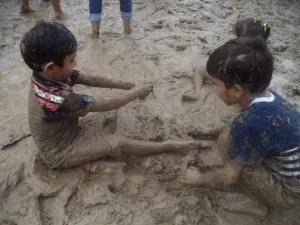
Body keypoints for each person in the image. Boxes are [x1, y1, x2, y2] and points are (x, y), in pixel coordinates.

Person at [20, 21, 201, 169]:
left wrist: (127, 85)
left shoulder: (49, 74)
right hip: (60, 152)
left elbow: (90, 79)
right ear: (50, 67)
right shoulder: (56, 97)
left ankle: (95, 158)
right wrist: (136, 92)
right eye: (72, 60)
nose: (75, 64)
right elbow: (102, 104)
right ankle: (169, 146)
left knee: (110, 117)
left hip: (70, 130)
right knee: (117, 142)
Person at [180, 37, 300, 217]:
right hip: (292, 170)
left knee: (230, 148)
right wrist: (206, 133)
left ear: (236, 91)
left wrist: (197, 179)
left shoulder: (246, 123)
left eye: (215, 84)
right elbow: (252, 127)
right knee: (228, 135)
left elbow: (229, 177)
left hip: (289, 192)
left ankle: (259, 205)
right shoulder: (270, 98)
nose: (214, 88)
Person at [182, 17, 270, 101]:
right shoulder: (261, 54)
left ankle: (197, 93)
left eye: (234, 34)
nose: (230, 37)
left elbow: (226, 65)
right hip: (244, 86)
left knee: (199, 70)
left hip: (232, 81)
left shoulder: (238, 54)